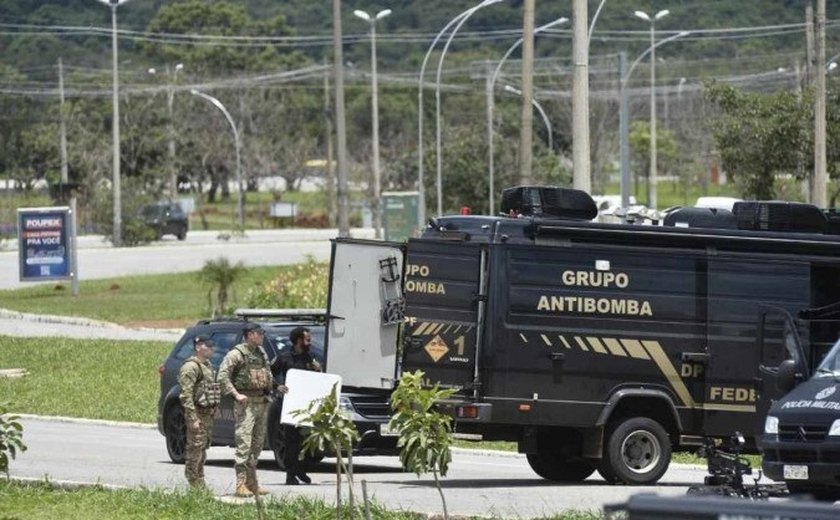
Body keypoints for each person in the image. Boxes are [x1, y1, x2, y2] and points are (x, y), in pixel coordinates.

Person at [218, 322, 275, 497]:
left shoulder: (261, 353)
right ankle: (240, 484)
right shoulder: (236, 354)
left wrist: (272, 389)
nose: (262, 335)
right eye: (259, 333)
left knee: (257, 445)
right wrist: (236, 395)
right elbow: (222, 376)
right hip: (246, 404)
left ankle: (252, 482)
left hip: (261, 402)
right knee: (244, 444)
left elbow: (267, 374)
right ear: (250, 334)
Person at [274, 326, 322, 485]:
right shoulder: (284, 358)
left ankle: (300, 469)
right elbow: (269, 374)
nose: (310, 342)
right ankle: (290, 474)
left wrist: (319, 370)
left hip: (307, 405)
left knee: (305, 440)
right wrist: (277, 386)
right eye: (307, 339)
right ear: (298, 340)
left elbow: (317, 379)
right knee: (291, 441)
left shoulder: (311, 358)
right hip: (290, 405)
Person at [177, 335, 220, 490]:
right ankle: (193, 482)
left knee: (202, 449)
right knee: (194, 449)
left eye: (212, 345)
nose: (211, 348)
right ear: (197, 347)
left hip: (207, 414)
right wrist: (192, 418)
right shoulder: (191, 367)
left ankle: (200, 482)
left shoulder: (207, 365)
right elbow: (186, 395)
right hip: (197, 414)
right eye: (207, 345)